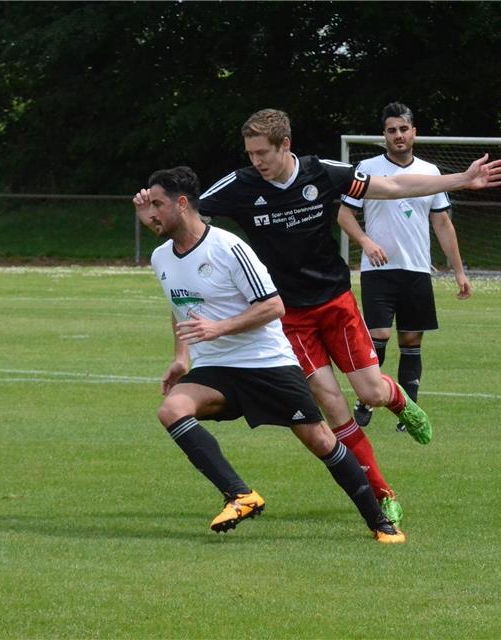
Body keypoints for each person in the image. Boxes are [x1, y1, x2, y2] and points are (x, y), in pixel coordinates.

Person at [198, 108, 501, 526]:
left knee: (372, 393)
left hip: (335, 304)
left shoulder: (323, 173)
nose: (256, 161)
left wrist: (462, 179)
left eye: (262, 153)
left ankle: (398, 400)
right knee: (331, 404)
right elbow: (192, 214)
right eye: (250, 153)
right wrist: (156, 208)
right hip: (288, 317)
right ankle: (383, 495)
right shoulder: (241, 184)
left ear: (285, 144)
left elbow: (394, 185)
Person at [134, 165, 406, 544]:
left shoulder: (228, 247)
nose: (151, 213)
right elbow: (182, 307)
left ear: (182, 204)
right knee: (171, 410)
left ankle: (380, 522)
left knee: (321, 441)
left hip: (267, 363)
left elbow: (274, 307)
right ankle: (240, 494)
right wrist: (182, 357)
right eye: (148, 205)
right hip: (217, 367)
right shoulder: (162, 257)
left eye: (158, 204)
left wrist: (218, 329)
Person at [338, 102, 471, 429]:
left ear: (414, 132)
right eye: (391, 130)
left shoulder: (430, 173)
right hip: (378, 271)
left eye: (403, 129)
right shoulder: (366, 169)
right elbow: (344, 214)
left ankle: (407, 413)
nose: (397, 135)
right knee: (378, 335)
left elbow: (442, 223)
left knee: (411, 341)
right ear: (384, 135)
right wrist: (367, 243)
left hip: (416, 271)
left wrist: (459, 271)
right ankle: (366, 398)